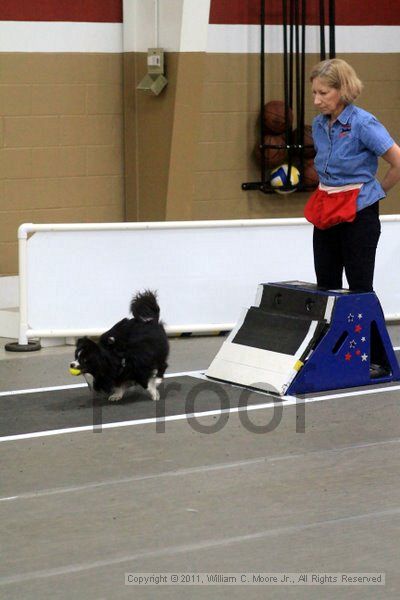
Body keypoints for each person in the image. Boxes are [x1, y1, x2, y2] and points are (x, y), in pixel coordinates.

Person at [304, 58, 400, 292]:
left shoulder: (363, 123)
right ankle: (331, 330)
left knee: (359, 286)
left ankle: (369, 330)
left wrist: (377, 192)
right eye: (314, 93)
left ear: (343, 90)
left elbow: (398, 161)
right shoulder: (318, 124)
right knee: (326, 285)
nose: (317, 100)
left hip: (359, 212)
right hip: (326, 208)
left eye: (324, 93)